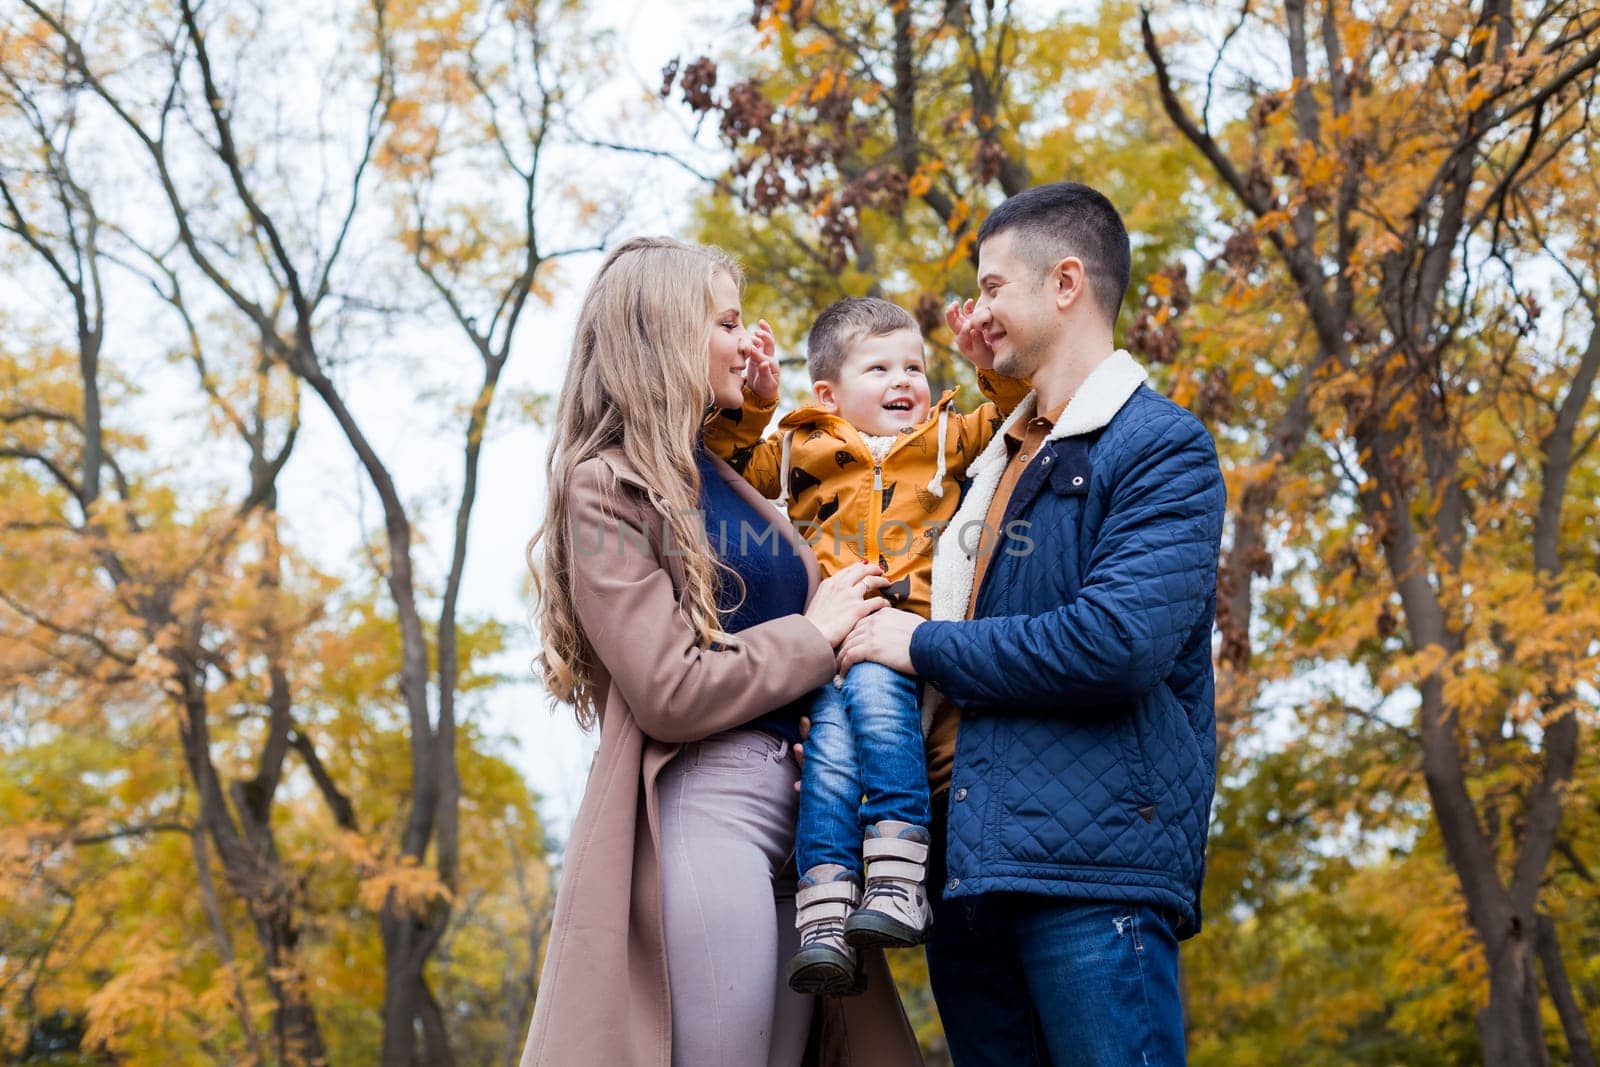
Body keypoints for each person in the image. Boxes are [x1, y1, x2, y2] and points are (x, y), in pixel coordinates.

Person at [836, 182, 1227, 1065]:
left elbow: (1116, 640)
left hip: (1092, 872)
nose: (975, 311)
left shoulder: (1158, 445)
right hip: (968, 864)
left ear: (1066, 283)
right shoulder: (996, 457)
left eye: (992, 287)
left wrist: (919, 643)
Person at [518, 237, 922, 1067]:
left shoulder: (720, 473)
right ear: (667, 333)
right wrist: (814, 633)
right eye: (729, 322)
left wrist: (749, 408)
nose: (751, 338)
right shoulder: (605, 483)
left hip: (810, 819)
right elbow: (670, 686)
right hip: (710, 802)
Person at [702, 296, 1028, 996]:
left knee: (879, 711)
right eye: (878, 368)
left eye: (912, 365)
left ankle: (899, 872)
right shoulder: (800, 445)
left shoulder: (945, 437)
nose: (903, 380)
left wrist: (984, 363)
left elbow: (1010, 417)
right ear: (829, 393)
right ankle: (824, 915)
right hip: (826, 635)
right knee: (827, 758)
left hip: (901, 632)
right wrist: (757, 404)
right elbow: (729, 462)